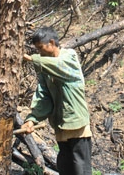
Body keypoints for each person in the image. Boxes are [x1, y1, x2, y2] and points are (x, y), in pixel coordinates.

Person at [21, 26, 92, 175]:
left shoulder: (69, 57)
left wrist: (29, 58)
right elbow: (44, 97)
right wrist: (32, 119)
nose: (39, 53)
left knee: (81, 170)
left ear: (52, 43)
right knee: (65, 169)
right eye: (37, 50)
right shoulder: (45, 69)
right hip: (61, 127)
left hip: (77, 126)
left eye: (40, 48)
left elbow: (59, 66)